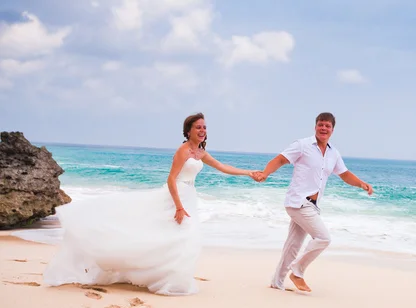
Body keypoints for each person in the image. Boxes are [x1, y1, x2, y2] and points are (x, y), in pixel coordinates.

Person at [43, 113, 259, 295]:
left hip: (189, 196)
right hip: (177, 197)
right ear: (189, 130)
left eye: (204, 127)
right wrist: (179, 207)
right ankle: (169, 279)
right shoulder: (183, 150)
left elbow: (222, 166)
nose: (202, 130)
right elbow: (171, 179)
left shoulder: (200, 152)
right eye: (198, 127)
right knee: (174, 236)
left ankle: (173, 279)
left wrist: (248, 173)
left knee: (180, 239)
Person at [255, 112, 373, 292]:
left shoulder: (333, 153)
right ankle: (297, 271)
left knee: (293, 246)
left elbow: (344, 174)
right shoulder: (302, 145)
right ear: (315, 126)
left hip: (312, 205)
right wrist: (265, 173)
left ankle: (276, 282)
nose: (323, 128)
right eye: (321, 125)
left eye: (327, 126)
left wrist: (361, 184)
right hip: (298, 202)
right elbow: (280, 159)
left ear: (332, 130)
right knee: (323, 238)